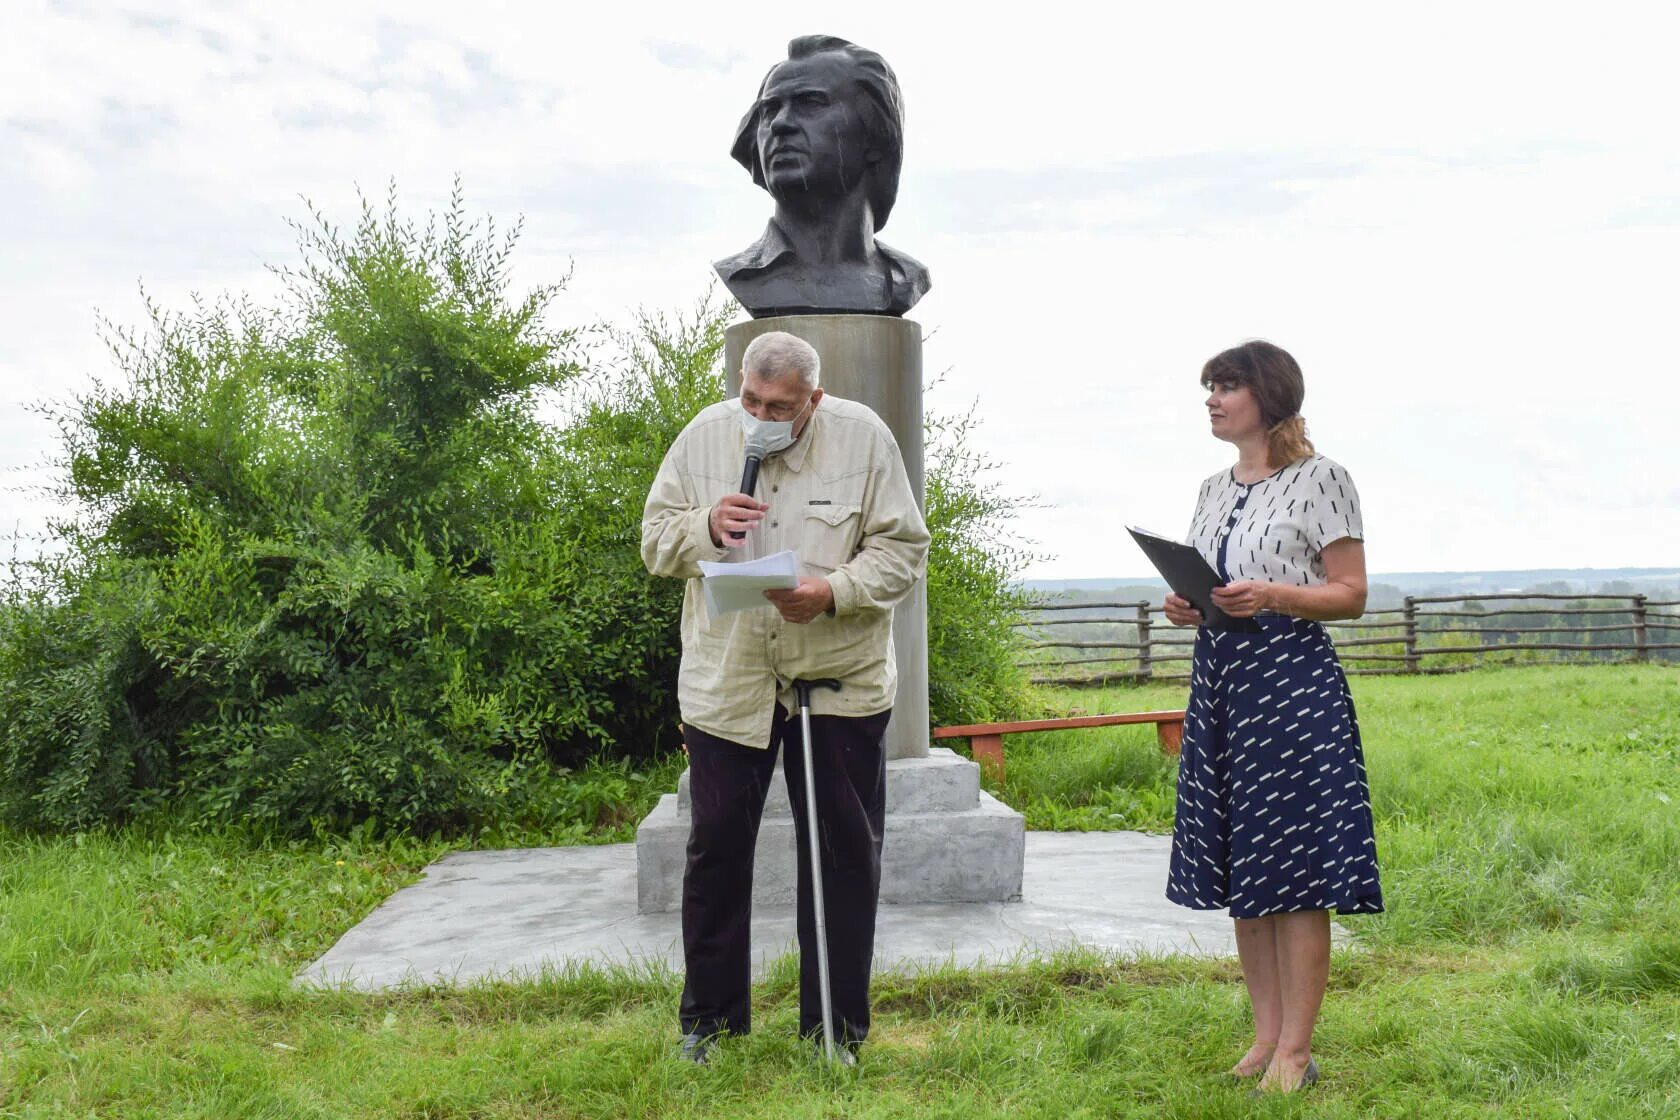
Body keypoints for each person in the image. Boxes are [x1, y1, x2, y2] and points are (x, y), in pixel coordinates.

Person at [640, 330, 930, 1066]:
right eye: (752, 399)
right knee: (715, 852)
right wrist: (704, 527)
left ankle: (836, 1034)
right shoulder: (703, 438)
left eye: (781, 405)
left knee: (841, 858)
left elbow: (903, 551)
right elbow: (653, 543)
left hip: (837, 685)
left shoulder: (864, 439)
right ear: (739, 383)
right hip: (727, 684)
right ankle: (709, 1027)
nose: (763, 414)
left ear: (814, 400)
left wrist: (831, 592)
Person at [1161, 340, 1383, 1094]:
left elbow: (1350, 593)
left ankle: (1297, 1052)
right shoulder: (1212, 488)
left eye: (1227, 387)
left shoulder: (1324, 479)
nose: (1213, 399)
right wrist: (1189, 605)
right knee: (1243, 865)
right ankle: (1262, 1039)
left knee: (1294, 867)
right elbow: (1218, 584)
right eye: (1210, 388)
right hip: (1222, 681)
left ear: (1269, 395)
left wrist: (1274, 595)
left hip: (1292, 683)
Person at [715, 35, 931, 318]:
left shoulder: (904, 280)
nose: (780, 123)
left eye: (811, 102)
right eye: (770, 109)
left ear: (875, 136)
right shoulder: (745, 276)